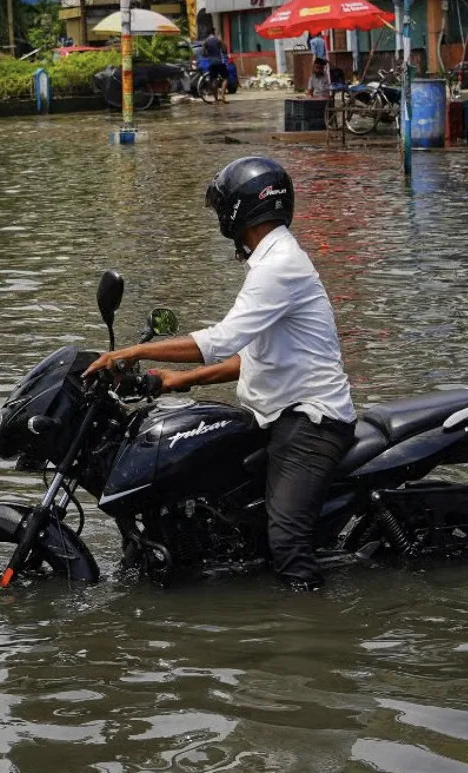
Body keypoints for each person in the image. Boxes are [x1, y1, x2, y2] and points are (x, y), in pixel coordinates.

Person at [84, 157, 357, 591]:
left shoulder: (278, 267)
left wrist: (132, 352)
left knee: (286, 543)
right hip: (278, 416)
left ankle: (310, 635)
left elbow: (221, 340)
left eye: (221, 210)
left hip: (312, 423)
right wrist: (171, 380)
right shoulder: (270, 262)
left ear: (239, 210)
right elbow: (247, 357)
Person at [203, 32, 230, 104]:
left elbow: (203, 54)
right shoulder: (218, 40)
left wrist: (209, 54)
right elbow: (225, 49)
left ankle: (216, 99)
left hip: (212, 63)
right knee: (225, 78)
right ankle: (222, 96)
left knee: (213, 80)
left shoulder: (206, 42)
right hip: (220, 62)